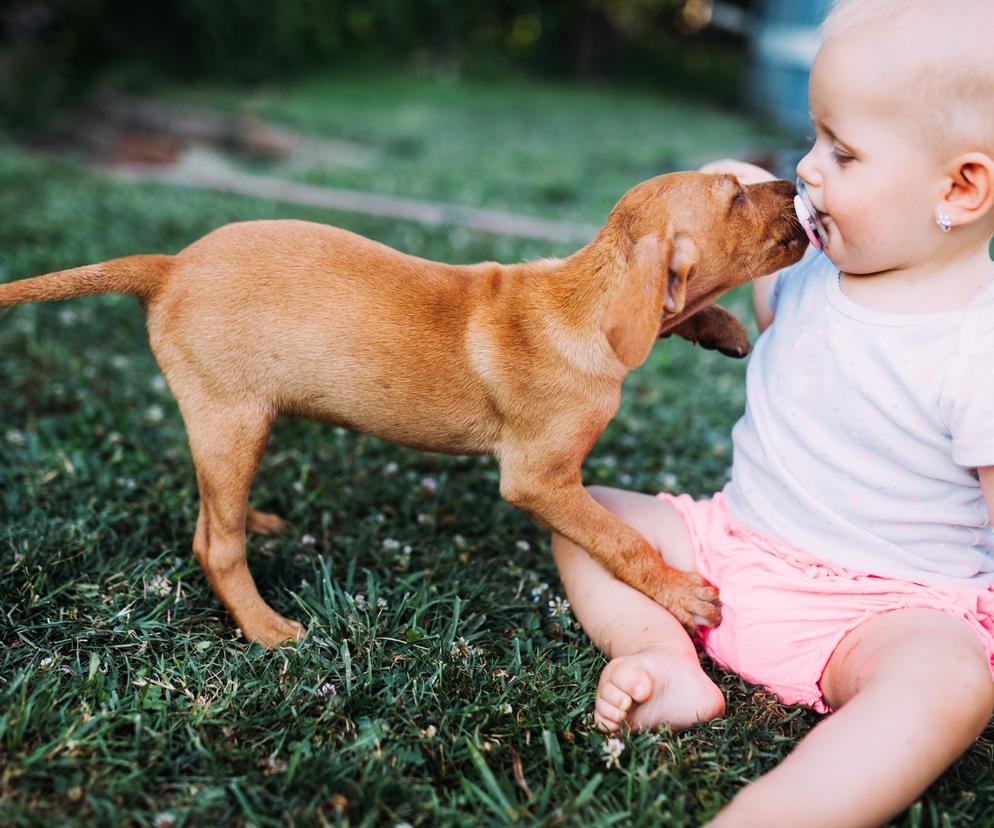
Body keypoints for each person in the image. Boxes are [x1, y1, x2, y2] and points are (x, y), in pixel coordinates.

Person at [551, 1, 994, 824]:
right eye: (814, 138)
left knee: (949, 681)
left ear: (961, 187)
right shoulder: (813, 274)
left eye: (844, 152)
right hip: (729, 553)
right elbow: (741, 236)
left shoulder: (977, 347)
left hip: (888, 609)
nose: (807, 171)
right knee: (587, 513)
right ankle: (660, 652)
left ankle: (777, 812)